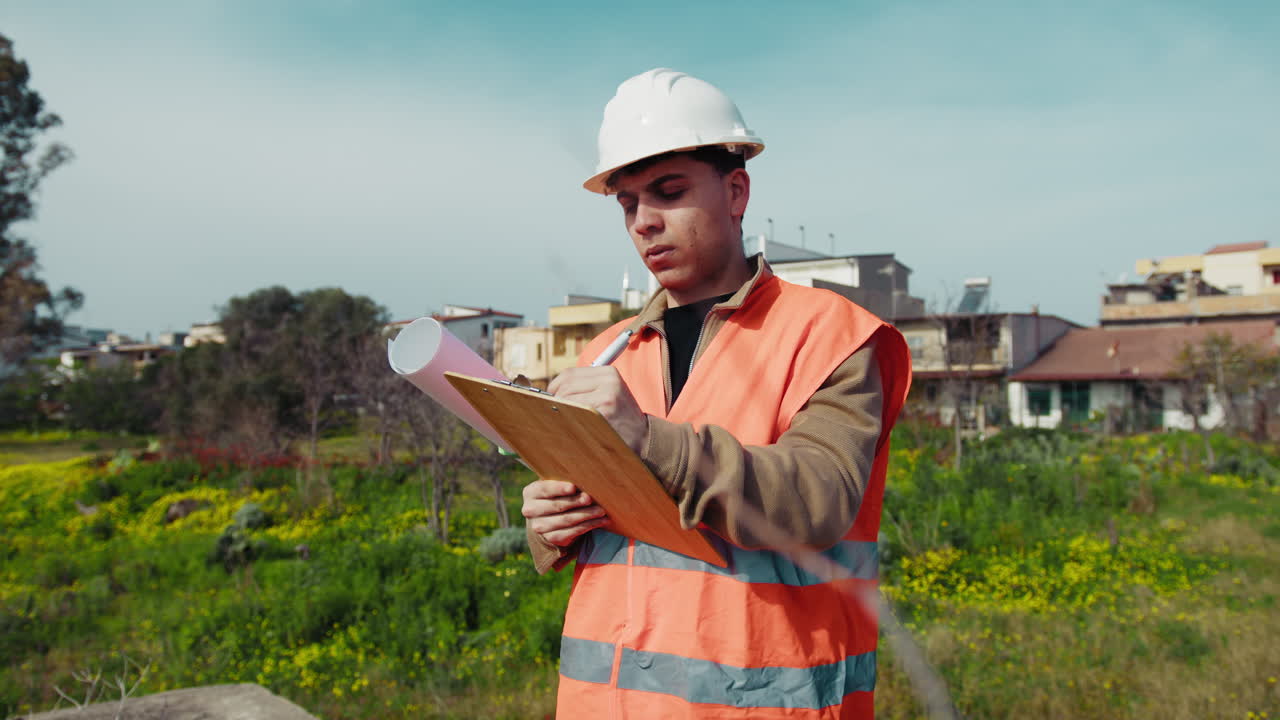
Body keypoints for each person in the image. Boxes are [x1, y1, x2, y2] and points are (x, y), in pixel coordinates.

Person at [521, 68, 912, 719]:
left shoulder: (829, 336)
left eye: (669, 192)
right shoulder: (605, 354)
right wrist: (549, 525)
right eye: (627, 205)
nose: (644, 223)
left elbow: (820, 500)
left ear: (736, 192)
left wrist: (646, 438)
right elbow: (598, 528)